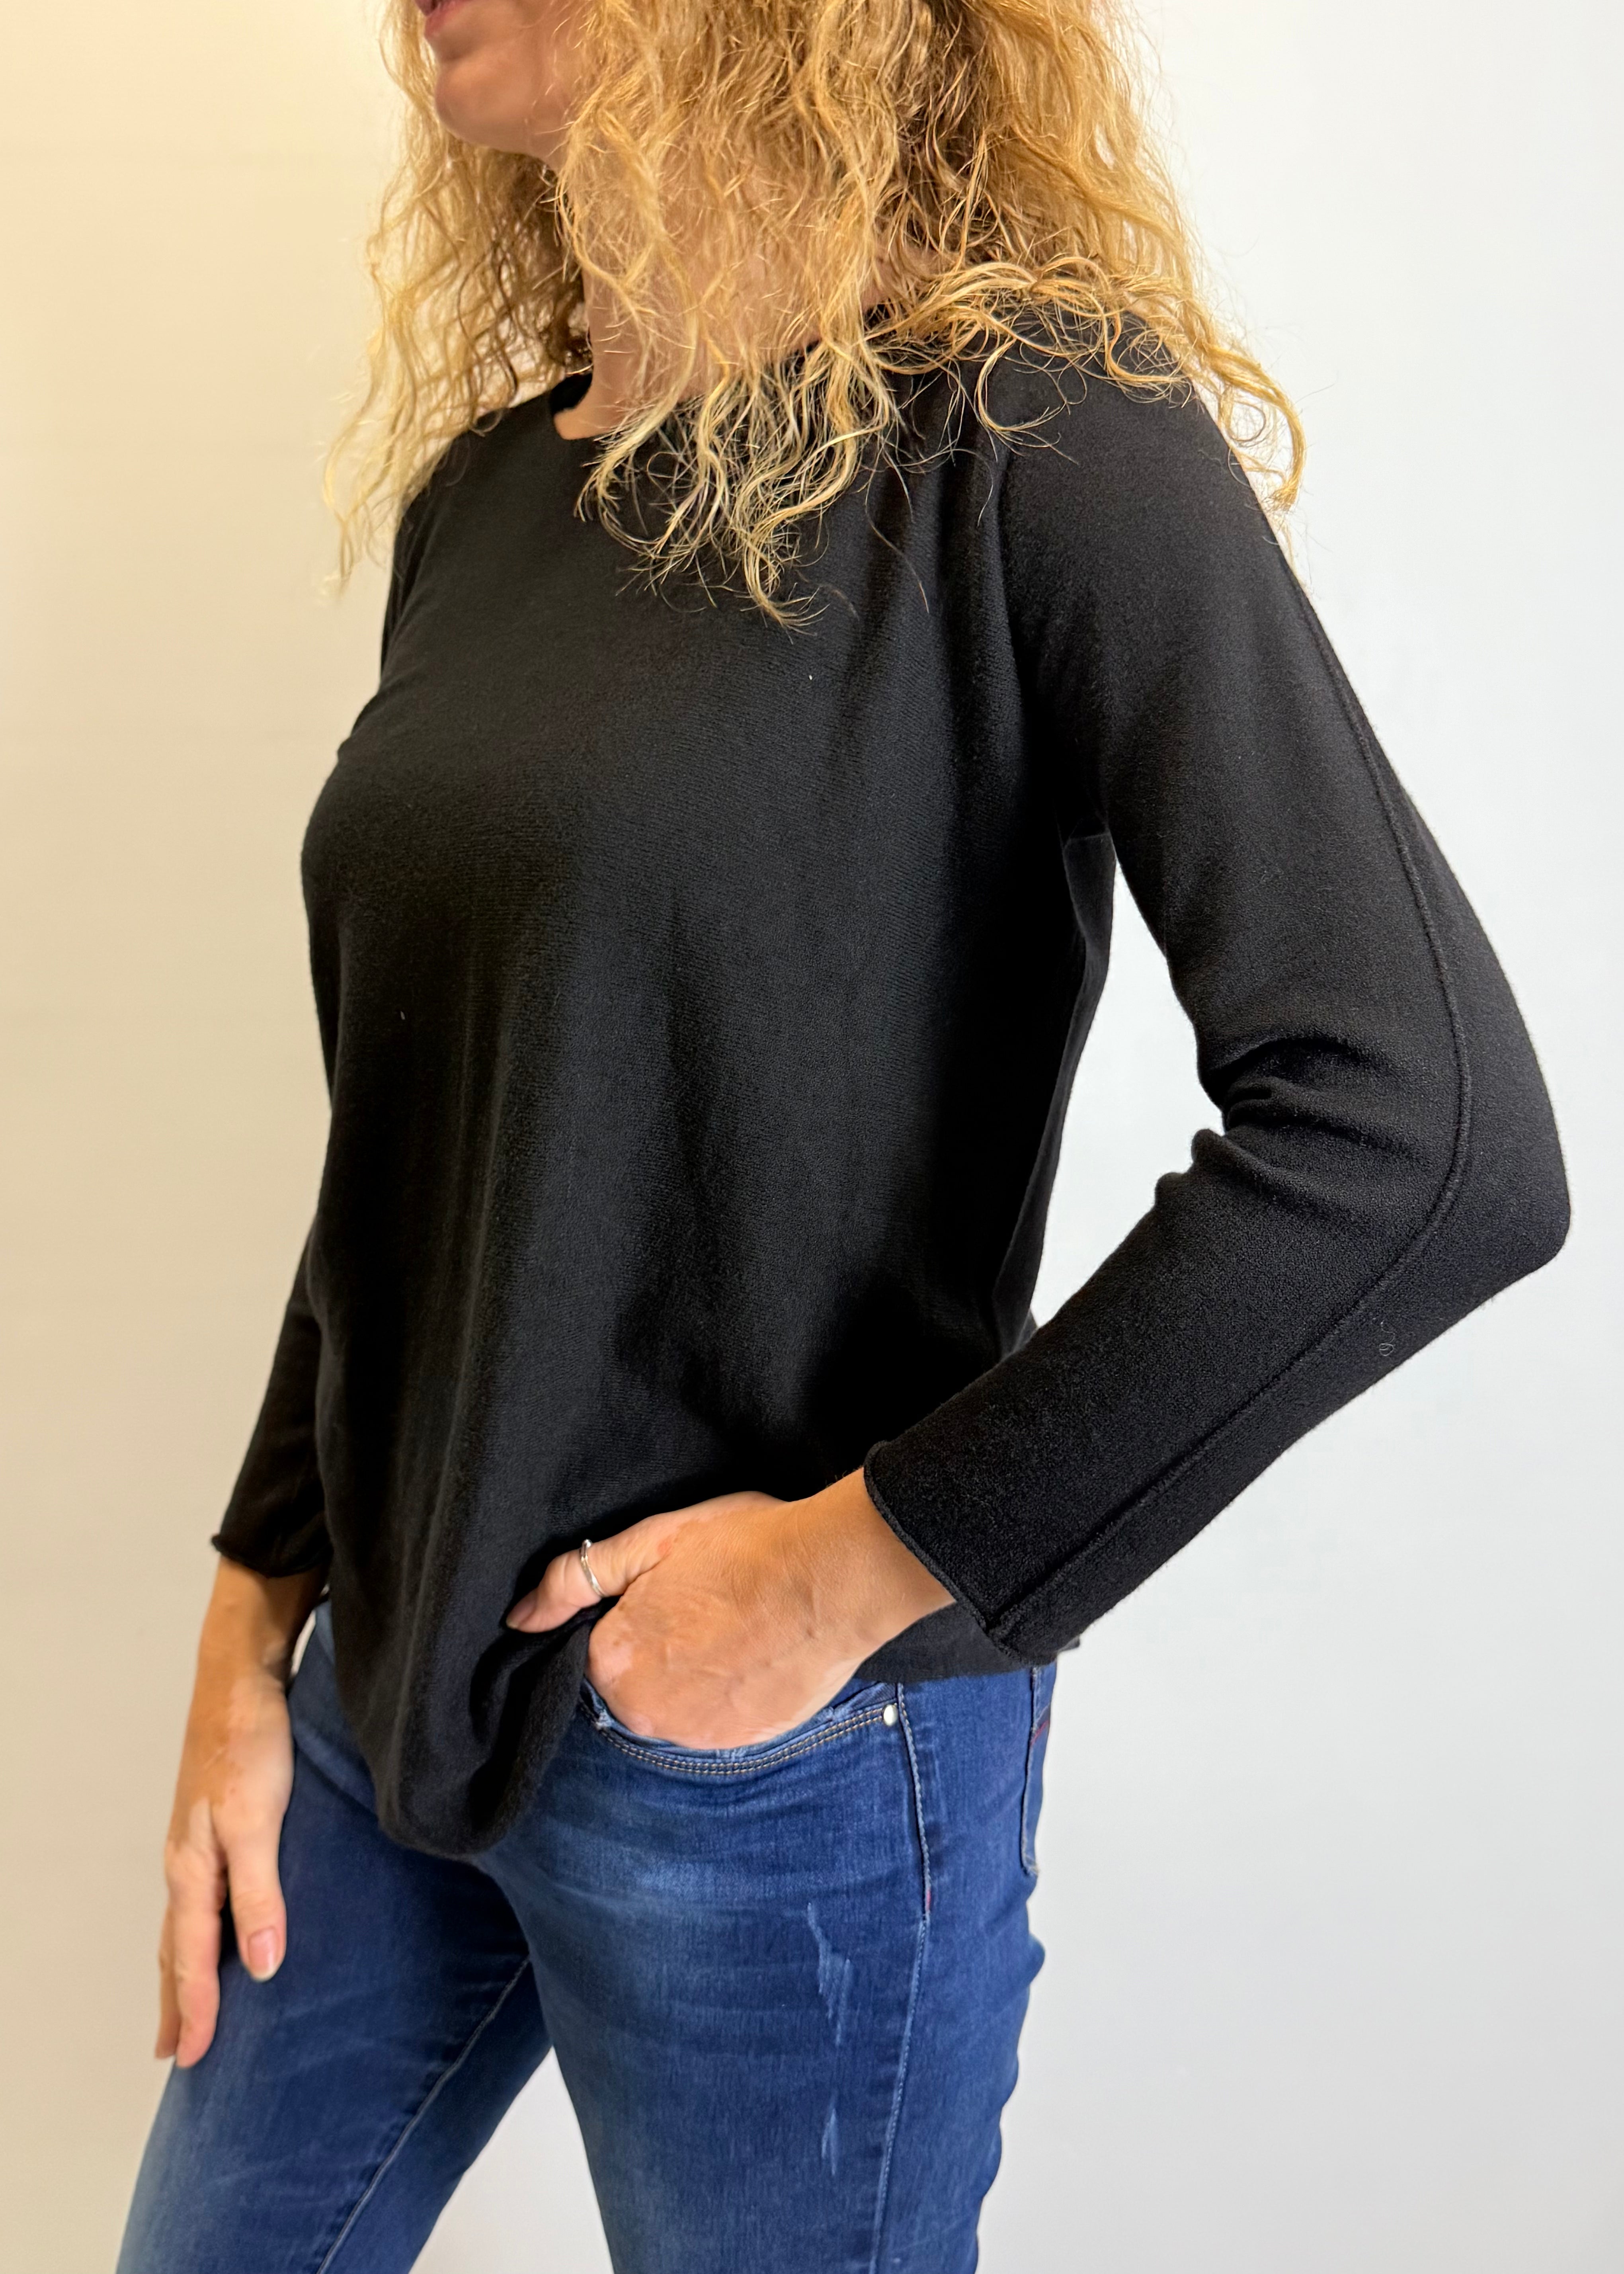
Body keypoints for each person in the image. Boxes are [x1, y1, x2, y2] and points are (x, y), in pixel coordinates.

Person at [116, 0, 1569, 2267]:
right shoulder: (484, 502)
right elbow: (433, 1123)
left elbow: (1430, 1127)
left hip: (760, 1768)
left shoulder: (1034, 435)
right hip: (378, 1702)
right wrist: (247, 1621)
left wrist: (833, 1576)